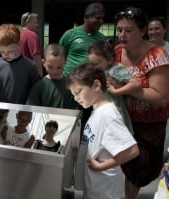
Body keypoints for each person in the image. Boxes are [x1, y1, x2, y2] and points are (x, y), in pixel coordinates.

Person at [113, 7, 169, 199]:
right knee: (120, 166)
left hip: (149, 126)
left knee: (139, 170)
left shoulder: (157, 55)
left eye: (128, 31)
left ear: (143, 31)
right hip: (123, 120)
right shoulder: (117, 52)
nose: (122, 35)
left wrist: (131, 88)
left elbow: (161, 97)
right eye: (119, 30)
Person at [66, 62, 139, 199]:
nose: (76, 98)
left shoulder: (108, 115)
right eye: (73, 95)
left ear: (96, 85)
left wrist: (101, 167)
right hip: (94, 186)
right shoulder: (96, 111)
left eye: (78, 92)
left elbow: (132, 151)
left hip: (105, 190)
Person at [87, 40, 139, 134]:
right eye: (91, 63)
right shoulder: (96, 71)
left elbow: (136, 84)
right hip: (101, 108)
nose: (92, 67)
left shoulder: (116, 69)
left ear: (110, 59)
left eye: (95, 64)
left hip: (115, 109)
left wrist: (115, 91)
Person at [0, 23, 39, 104]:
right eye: (2, 51)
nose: (6, 54)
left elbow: (35, 93)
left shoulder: (30, 66)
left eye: (10, 51)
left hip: (24, 111)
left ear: (19, 44)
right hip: (1, 111)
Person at [59, 2, 106, 77]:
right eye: (98, 18)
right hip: (68, 80)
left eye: (102, 18)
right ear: (87, 17)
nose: (101, 21)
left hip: (90, 82)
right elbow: (60, 55)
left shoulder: (102, 38)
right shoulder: (70, 34)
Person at [26, 43, 78, 109]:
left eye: (59, 67)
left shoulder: (70, 85)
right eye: (50, 67)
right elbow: (31, 109)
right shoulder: (39, 86)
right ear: (43, 63)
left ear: (65, 62)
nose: (54, 71)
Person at [20, 12, 43, 77]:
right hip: (30, 74)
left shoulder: (18, 34)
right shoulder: (32, 35)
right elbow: (35, 55)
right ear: (27, 23)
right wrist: (40, 73)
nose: (37, 25)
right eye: (35, 22)